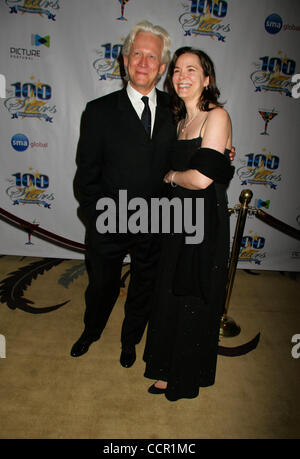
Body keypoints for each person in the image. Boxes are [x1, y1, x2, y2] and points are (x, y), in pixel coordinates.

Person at [71, 21, 176, 367]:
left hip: (155, 224)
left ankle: (130, 340)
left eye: (152, 57)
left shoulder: (177, 112)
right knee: (101, 287)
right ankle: (92, 330)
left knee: (144, 288)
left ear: (162, 68)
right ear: (124, 58)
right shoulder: (98, 111)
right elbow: (86, 176)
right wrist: (96, 219)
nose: (143, 63)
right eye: (137, 54)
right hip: (108, 222)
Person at [143, 47, 235, 401]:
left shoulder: (217, 116)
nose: (182, 76)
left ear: (207, 79)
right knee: (169, 292)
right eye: (178, 70)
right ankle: (166, 369)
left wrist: (171, 175)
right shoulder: (180, 120)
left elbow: (201, 180)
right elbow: (215, 164)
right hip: (175, 220)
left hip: (202, 222)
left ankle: (185, 377)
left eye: (192, 70)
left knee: (192, 292)